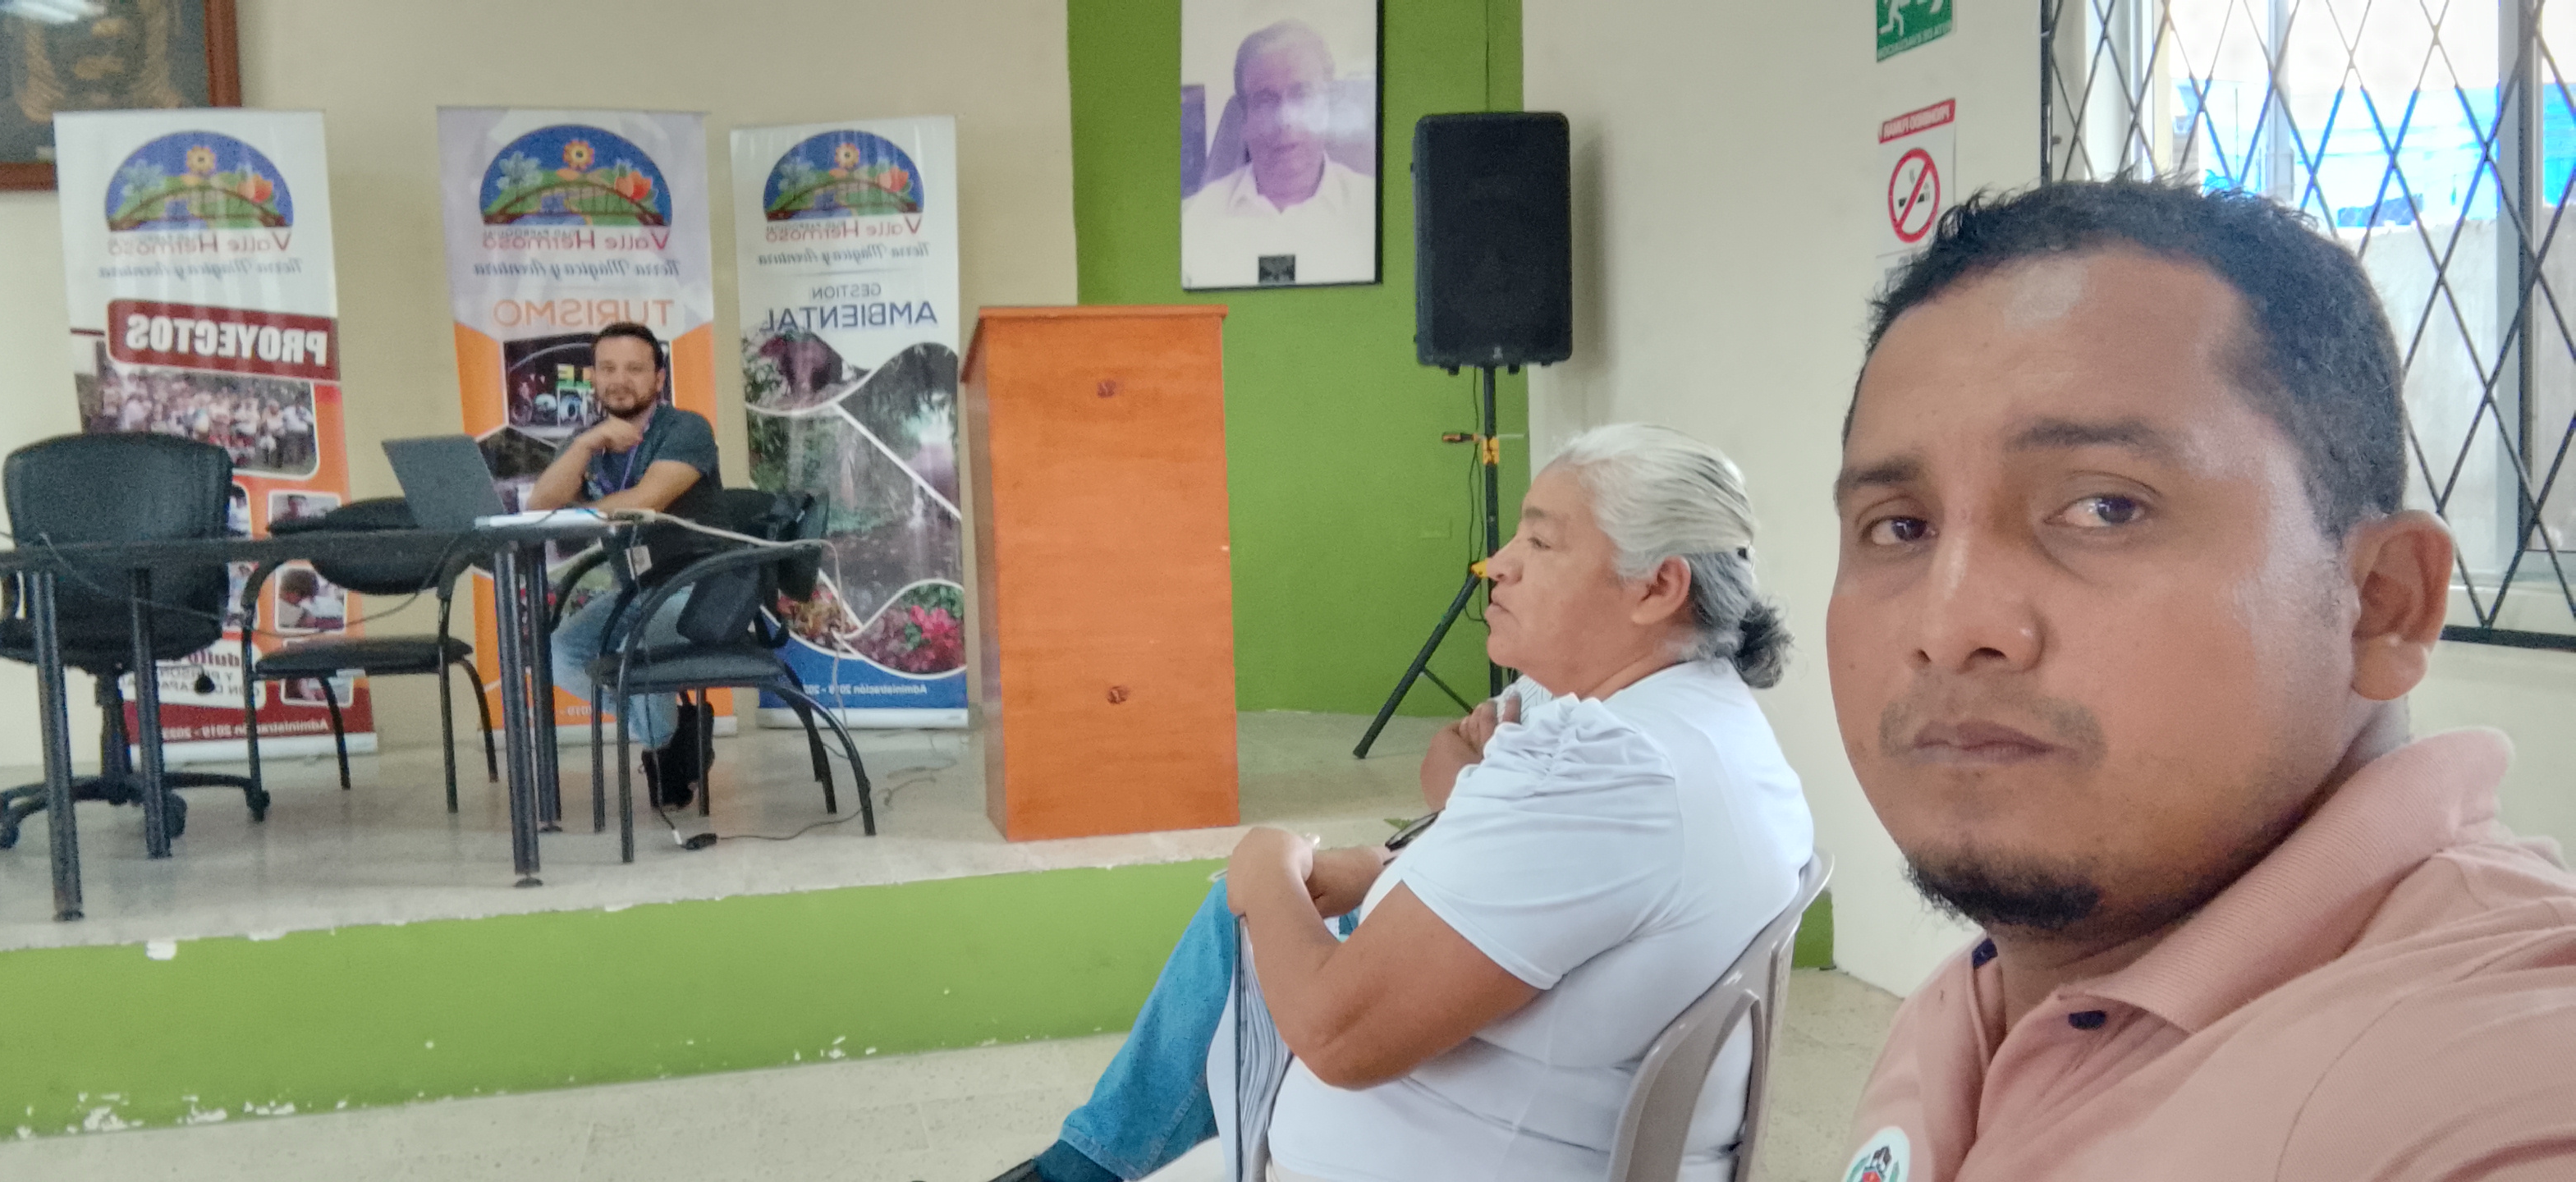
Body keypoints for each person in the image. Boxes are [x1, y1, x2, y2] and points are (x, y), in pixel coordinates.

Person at [1831, 180, 2576, 1180]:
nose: (1947, 625)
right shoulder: (1978, 999)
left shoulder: (2499, 1061)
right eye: (1899, 527)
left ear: (2381, 603)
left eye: (2104, 508)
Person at [990, 424, 1815, 1182]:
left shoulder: (1611, 766)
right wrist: (1384, 870)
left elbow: (1336, 1037)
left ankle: (1076, 1170)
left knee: (1249, 907)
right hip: (1503, 1133)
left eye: (1539, 540)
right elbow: (1519, 854)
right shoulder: (1696, 716)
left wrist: (1263, 864)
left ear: (1657, 587)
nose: (1497, 563)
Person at [528, 320, 725, 809]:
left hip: (700, 589)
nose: (620, 380)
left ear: (659, 379)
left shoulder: (686, 428)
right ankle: (671, 740)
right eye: (608, 368)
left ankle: (663, 751)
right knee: (558, 654)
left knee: (634, 650)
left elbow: (646, 500)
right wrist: (582, 446)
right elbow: (539, 507)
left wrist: (578, 511)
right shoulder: (589, 440)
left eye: (635, 369)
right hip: (637, 591)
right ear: (593, 377)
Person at [1182, 19, 1376, 287]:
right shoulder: (1193, 220)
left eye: (1302, 95)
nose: (1285, 119)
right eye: (1265, 101)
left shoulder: (1371, 209)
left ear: (1328, 109)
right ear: (1245, 118)